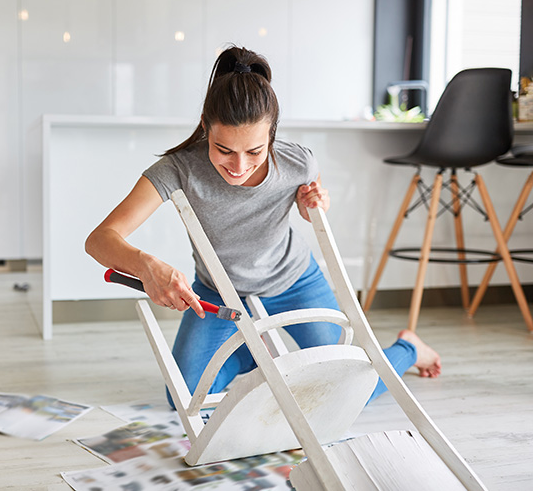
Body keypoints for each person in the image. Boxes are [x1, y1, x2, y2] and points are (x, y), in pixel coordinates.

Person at [85, 46, 441, 408]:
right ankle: (261, 356)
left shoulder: (298, 161)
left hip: (294, 280)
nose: (239, 166)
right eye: (223, 149)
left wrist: (314, 205)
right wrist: (147, 266)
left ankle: (408, 348)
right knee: (185, 397)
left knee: (346, 389)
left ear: (272, 134)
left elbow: (312, 205)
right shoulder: (178, 169)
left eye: (254, 152)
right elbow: (99, 240)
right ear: (206, 128)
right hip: (219, 291)